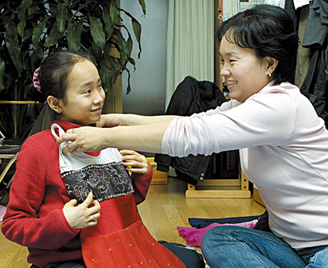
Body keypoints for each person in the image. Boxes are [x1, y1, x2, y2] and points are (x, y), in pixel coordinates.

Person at [55, 4, 328, 268]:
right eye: (222, 60)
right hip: (291, 247)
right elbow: (190, 122)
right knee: (218, 238)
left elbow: (193, 134)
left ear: (269, 63)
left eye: (232, 60)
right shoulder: (249, 104)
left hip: (324, 248)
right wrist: (118, 120)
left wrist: (104, 138)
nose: (223, 71)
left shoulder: (281, 105)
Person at [1, 51, 205, 268]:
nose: (99, 97)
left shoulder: (107, 137)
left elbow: (117, 210)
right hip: (73, 259)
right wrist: (65, 223)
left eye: (99, 86)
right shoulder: (38, 148)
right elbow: (13, 225)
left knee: (192, 261)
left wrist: (141, 175)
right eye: (87, 91)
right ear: (56, 103)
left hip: (122, 246)